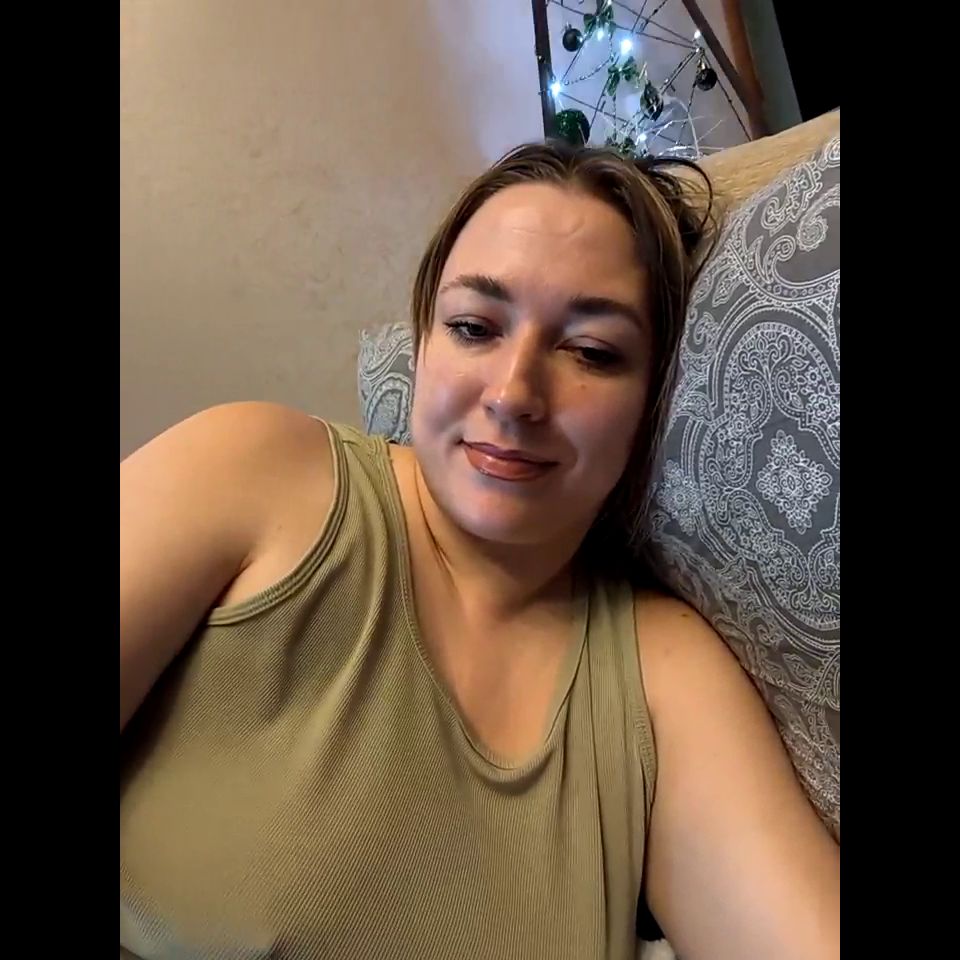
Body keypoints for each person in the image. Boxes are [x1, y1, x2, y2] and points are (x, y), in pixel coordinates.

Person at [120, 141, 840, 960]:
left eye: (592, 352)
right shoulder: (257, 471)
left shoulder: (663, 677)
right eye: (473, 327)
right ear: (424, 343)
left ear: (653, 401)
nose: (513, 394)